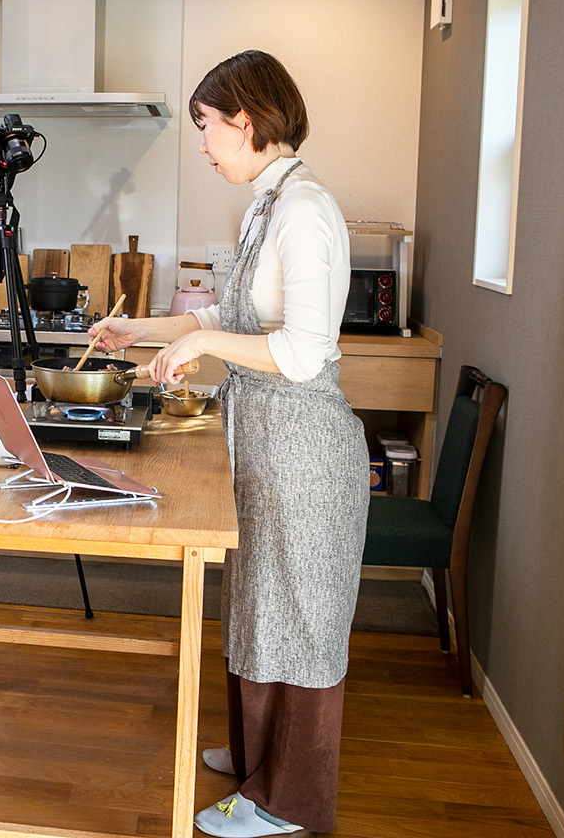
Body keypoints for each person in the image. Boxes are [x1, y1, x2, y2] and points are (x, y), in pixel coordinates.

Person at [87, 50, 367, 837]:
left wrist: (202, 349)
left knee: (300, 619)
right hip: (264, 439)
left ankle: (288, 800)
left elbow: (303, 352)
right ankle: (257, 761)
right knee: (259, 605)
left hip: (304, 447)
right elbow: (227, 318)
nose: (204, 145)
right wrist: (141, 329)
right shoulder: (263, 207)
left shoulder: (305, 209)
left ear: (245, 120)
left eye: (208, 126)